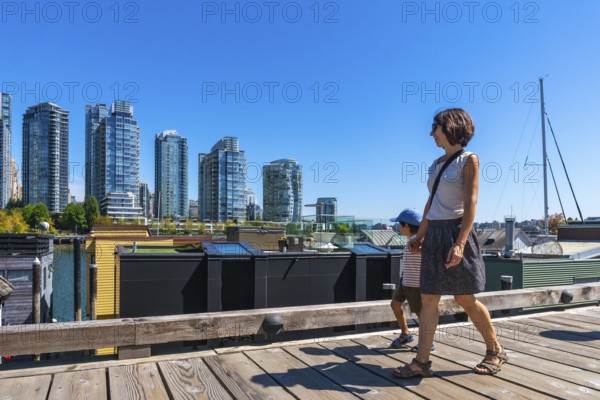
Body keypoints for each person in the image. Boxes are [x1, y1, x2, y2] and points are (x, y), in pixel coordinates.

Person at [393, 108, 508, 378]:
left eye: (435, 127)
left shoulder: (469, 160)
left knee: (464, 298)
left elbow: (470, 204)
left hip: (457, 232)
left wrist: (459, 243)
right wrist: (419, 235)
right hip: (434, 233)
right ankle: (421, 362)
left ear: (450, 126)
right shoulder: (435, 164)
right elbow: (431, 204)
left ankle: (495, 350)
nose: (431, 132)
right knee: (429, 298)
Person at [388, 208, 434, 352]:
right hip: (406, 281)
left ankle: (427, 343)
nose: (398, 227)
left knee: (421, 314)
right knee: (395, 304)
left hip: (416, 284)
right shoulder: (412, 240)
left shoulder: (419, 240)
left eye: (399, 225)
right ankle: (405, 333)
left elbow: (430, 254)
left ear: (406, 226)